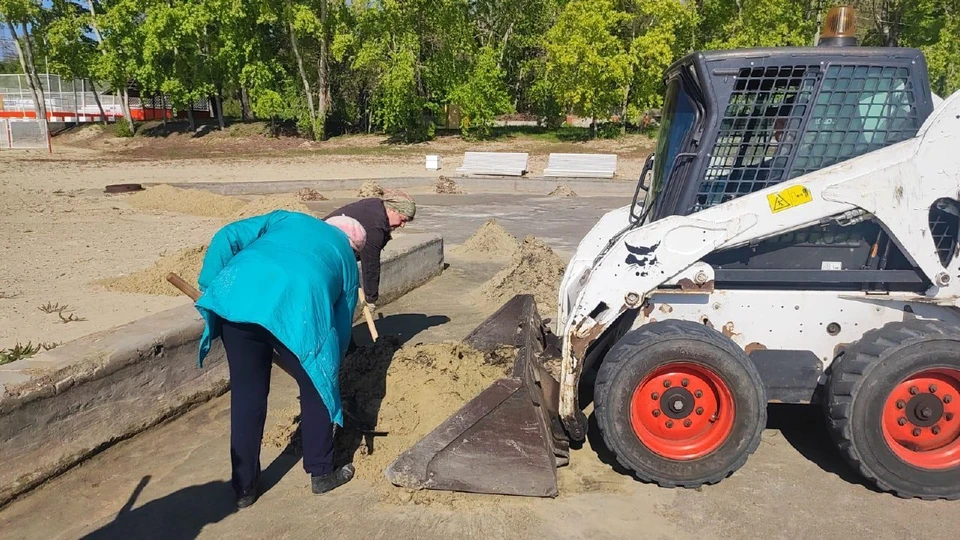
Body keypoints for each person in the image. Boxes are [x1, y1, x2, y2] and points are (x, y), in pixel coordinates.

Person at [193, 209, 367, 509]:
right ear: (353, 246)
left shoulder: (288, 218)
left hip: (237, 302)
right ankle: (322, 473)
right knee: (316, 389)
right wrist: (328, 371)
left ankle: (244, 489)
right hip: (295, 312)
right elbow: (340, 321)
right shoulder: (347, 258)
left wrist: (213, 284)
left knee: (248, 396)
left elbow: (228, 235)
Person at [324, 192, 417, 314]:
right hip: (326, 251)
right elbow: (370, 264)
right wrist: (370, 298)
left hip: (331, 244)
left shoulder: (377, 206)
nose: (402, 225)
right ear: (393, 210)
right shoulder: (375, 227)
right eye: (402, 219)